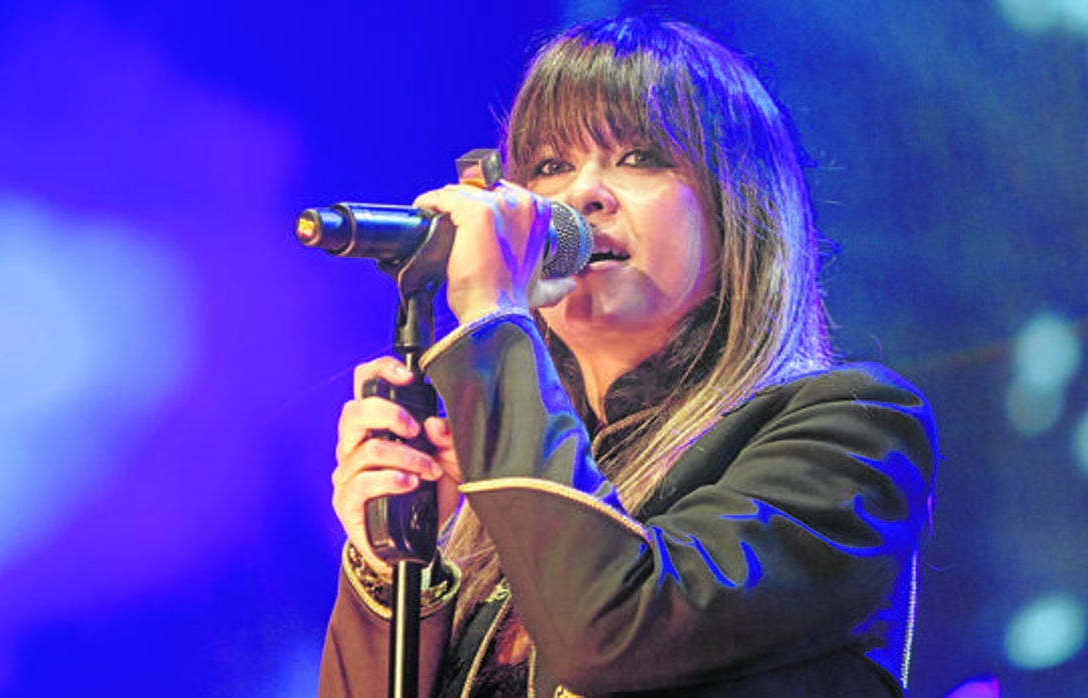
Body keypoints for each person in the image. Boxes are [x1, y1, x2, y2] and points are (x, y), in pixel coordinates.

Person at [319, 14, 937, 697]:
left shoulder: (854, 431)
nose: (580, 194)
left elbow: (610, 637)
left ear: (739, 211)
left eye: (639, 156)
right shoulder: (518, 480)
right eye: (550, 166)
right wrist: (395, 568)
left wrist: (493, 326)